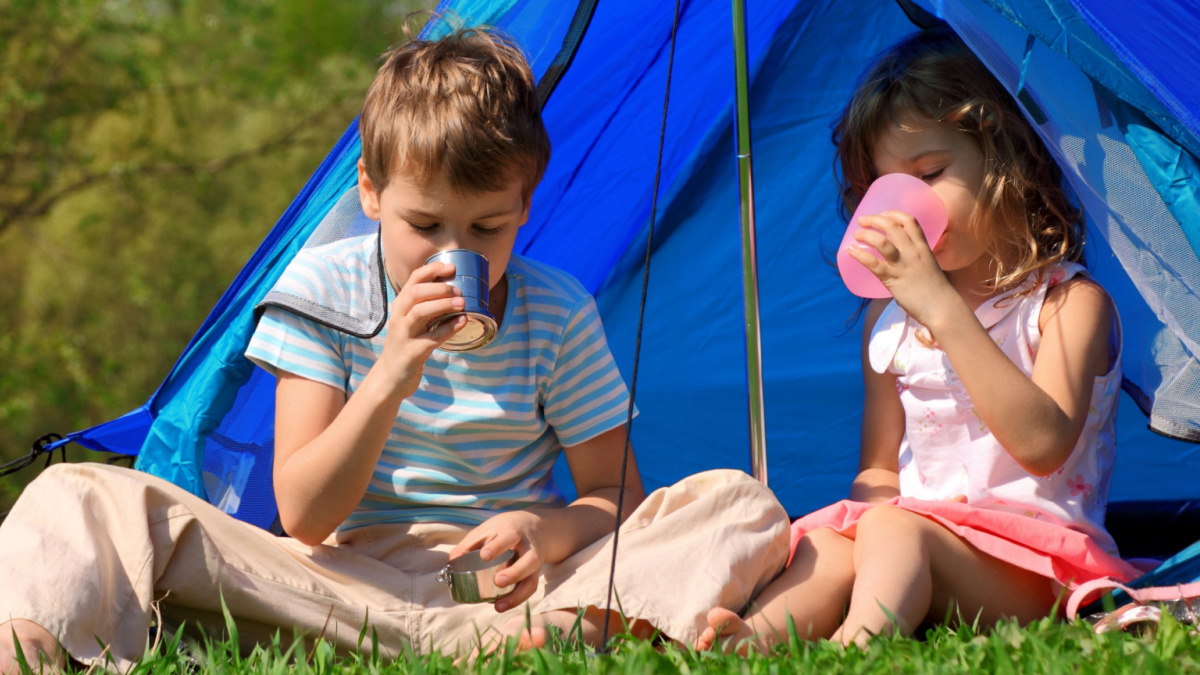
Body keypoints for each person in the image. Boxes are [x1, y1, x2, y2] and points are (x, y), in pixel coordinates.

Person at [0, 25, 790, 672]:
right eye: (424, 226)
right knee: (81, 496)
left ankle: (541, 636)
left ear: (525, 204)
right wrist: (390, 373)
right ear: (372, 194)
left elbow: (615, 496)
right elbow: (306, 514)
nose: (453, 252)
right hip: (344, 581)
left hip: (509, 591)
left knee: (737, 502)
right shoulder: (326, 289)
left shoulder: (556, 311)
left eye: (488, 229)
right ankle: (26, 648)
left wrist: (540, 529)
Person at [696, 24, 1141, 652]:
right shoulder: (891, 329)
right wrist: (866, 518)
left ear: (1011, 156)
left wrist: (940, 305)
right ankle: (754, 638)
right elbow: (878, 468)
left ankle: (856, 649)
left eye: (929, 173)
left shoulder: (1067, 305)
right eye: (884, 190)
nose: (905, 209)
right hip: (923, 539)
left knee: (896, 533)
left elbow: (1044, 444)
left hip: (1037, 566)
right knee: (835, 538)